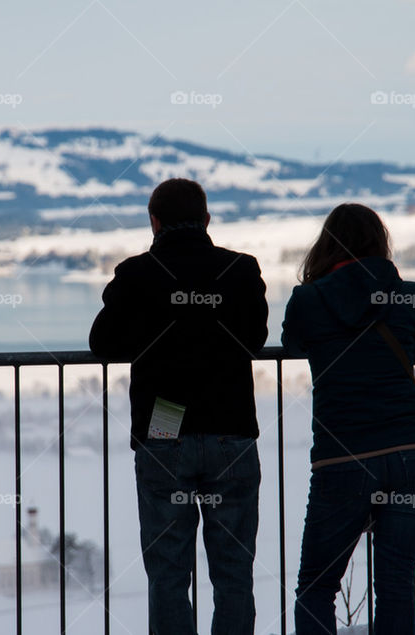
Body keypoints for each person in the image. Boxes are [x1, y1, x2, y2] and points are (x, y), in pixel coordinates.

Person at [89, 178, 268, 635]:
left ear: (154, 222)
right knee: (234, 571)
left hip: (165, 423)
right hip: (230, 424)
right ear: (206, 220)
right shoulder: (240, 270)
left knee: (168, 573)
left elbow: (103, 343)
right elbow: (254, 339)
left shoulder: (136, 274)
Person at [282, 203, 415, 634]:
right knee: (396, 579)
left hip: (344, 455)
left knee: (317, 584)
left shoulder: (308, 299)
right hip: (414, 451)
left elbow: (293, 344)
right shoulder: (406, 293)